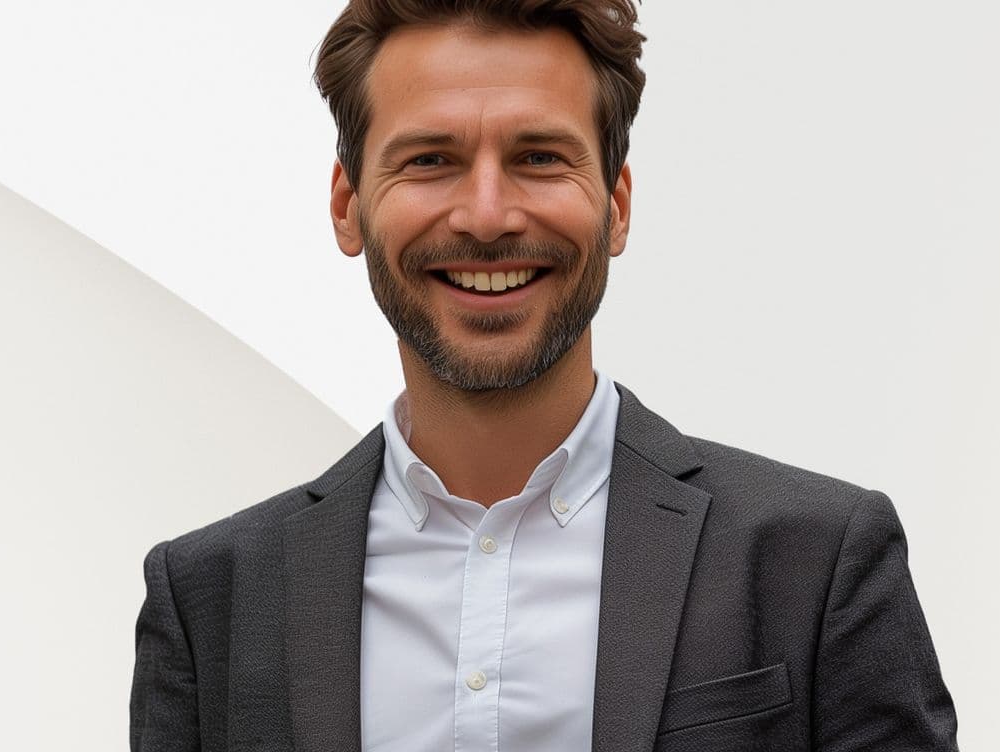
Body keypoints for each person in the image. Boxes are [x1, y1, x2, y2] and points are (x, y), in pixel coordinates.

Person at [130, 1, 958, 750]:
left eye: (537, 156)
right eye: (428, 160)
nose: (487, 214)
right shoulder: (209, 602)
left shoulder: (816, 563)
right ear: (349, 205)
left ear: (617, 205)